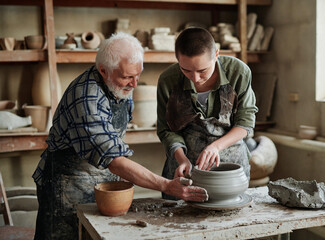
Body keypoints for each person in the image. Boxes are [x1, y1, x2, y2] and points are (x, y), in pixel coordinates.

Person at [32, 32, 208, 240]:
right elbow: (114, 160)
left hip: (105, 179)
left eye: (138, 75)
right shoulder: (87, 99)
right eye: (127, 77)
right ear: (103, 71)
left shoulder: (119, 82)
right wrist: (166, 185)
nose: (134, 84)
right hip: (69, 183)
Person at [157, 27, 258, 199]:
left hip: (229, 162)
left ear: (216, 54)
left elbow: (245, 123)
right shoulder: (168, 80)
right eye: (186, 70)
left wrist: (216, 147)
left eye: (202, 70)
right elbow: (167, 130)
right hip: (186, 163)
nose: (195, 79)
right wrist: (182, 159)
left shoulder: (238, 72)